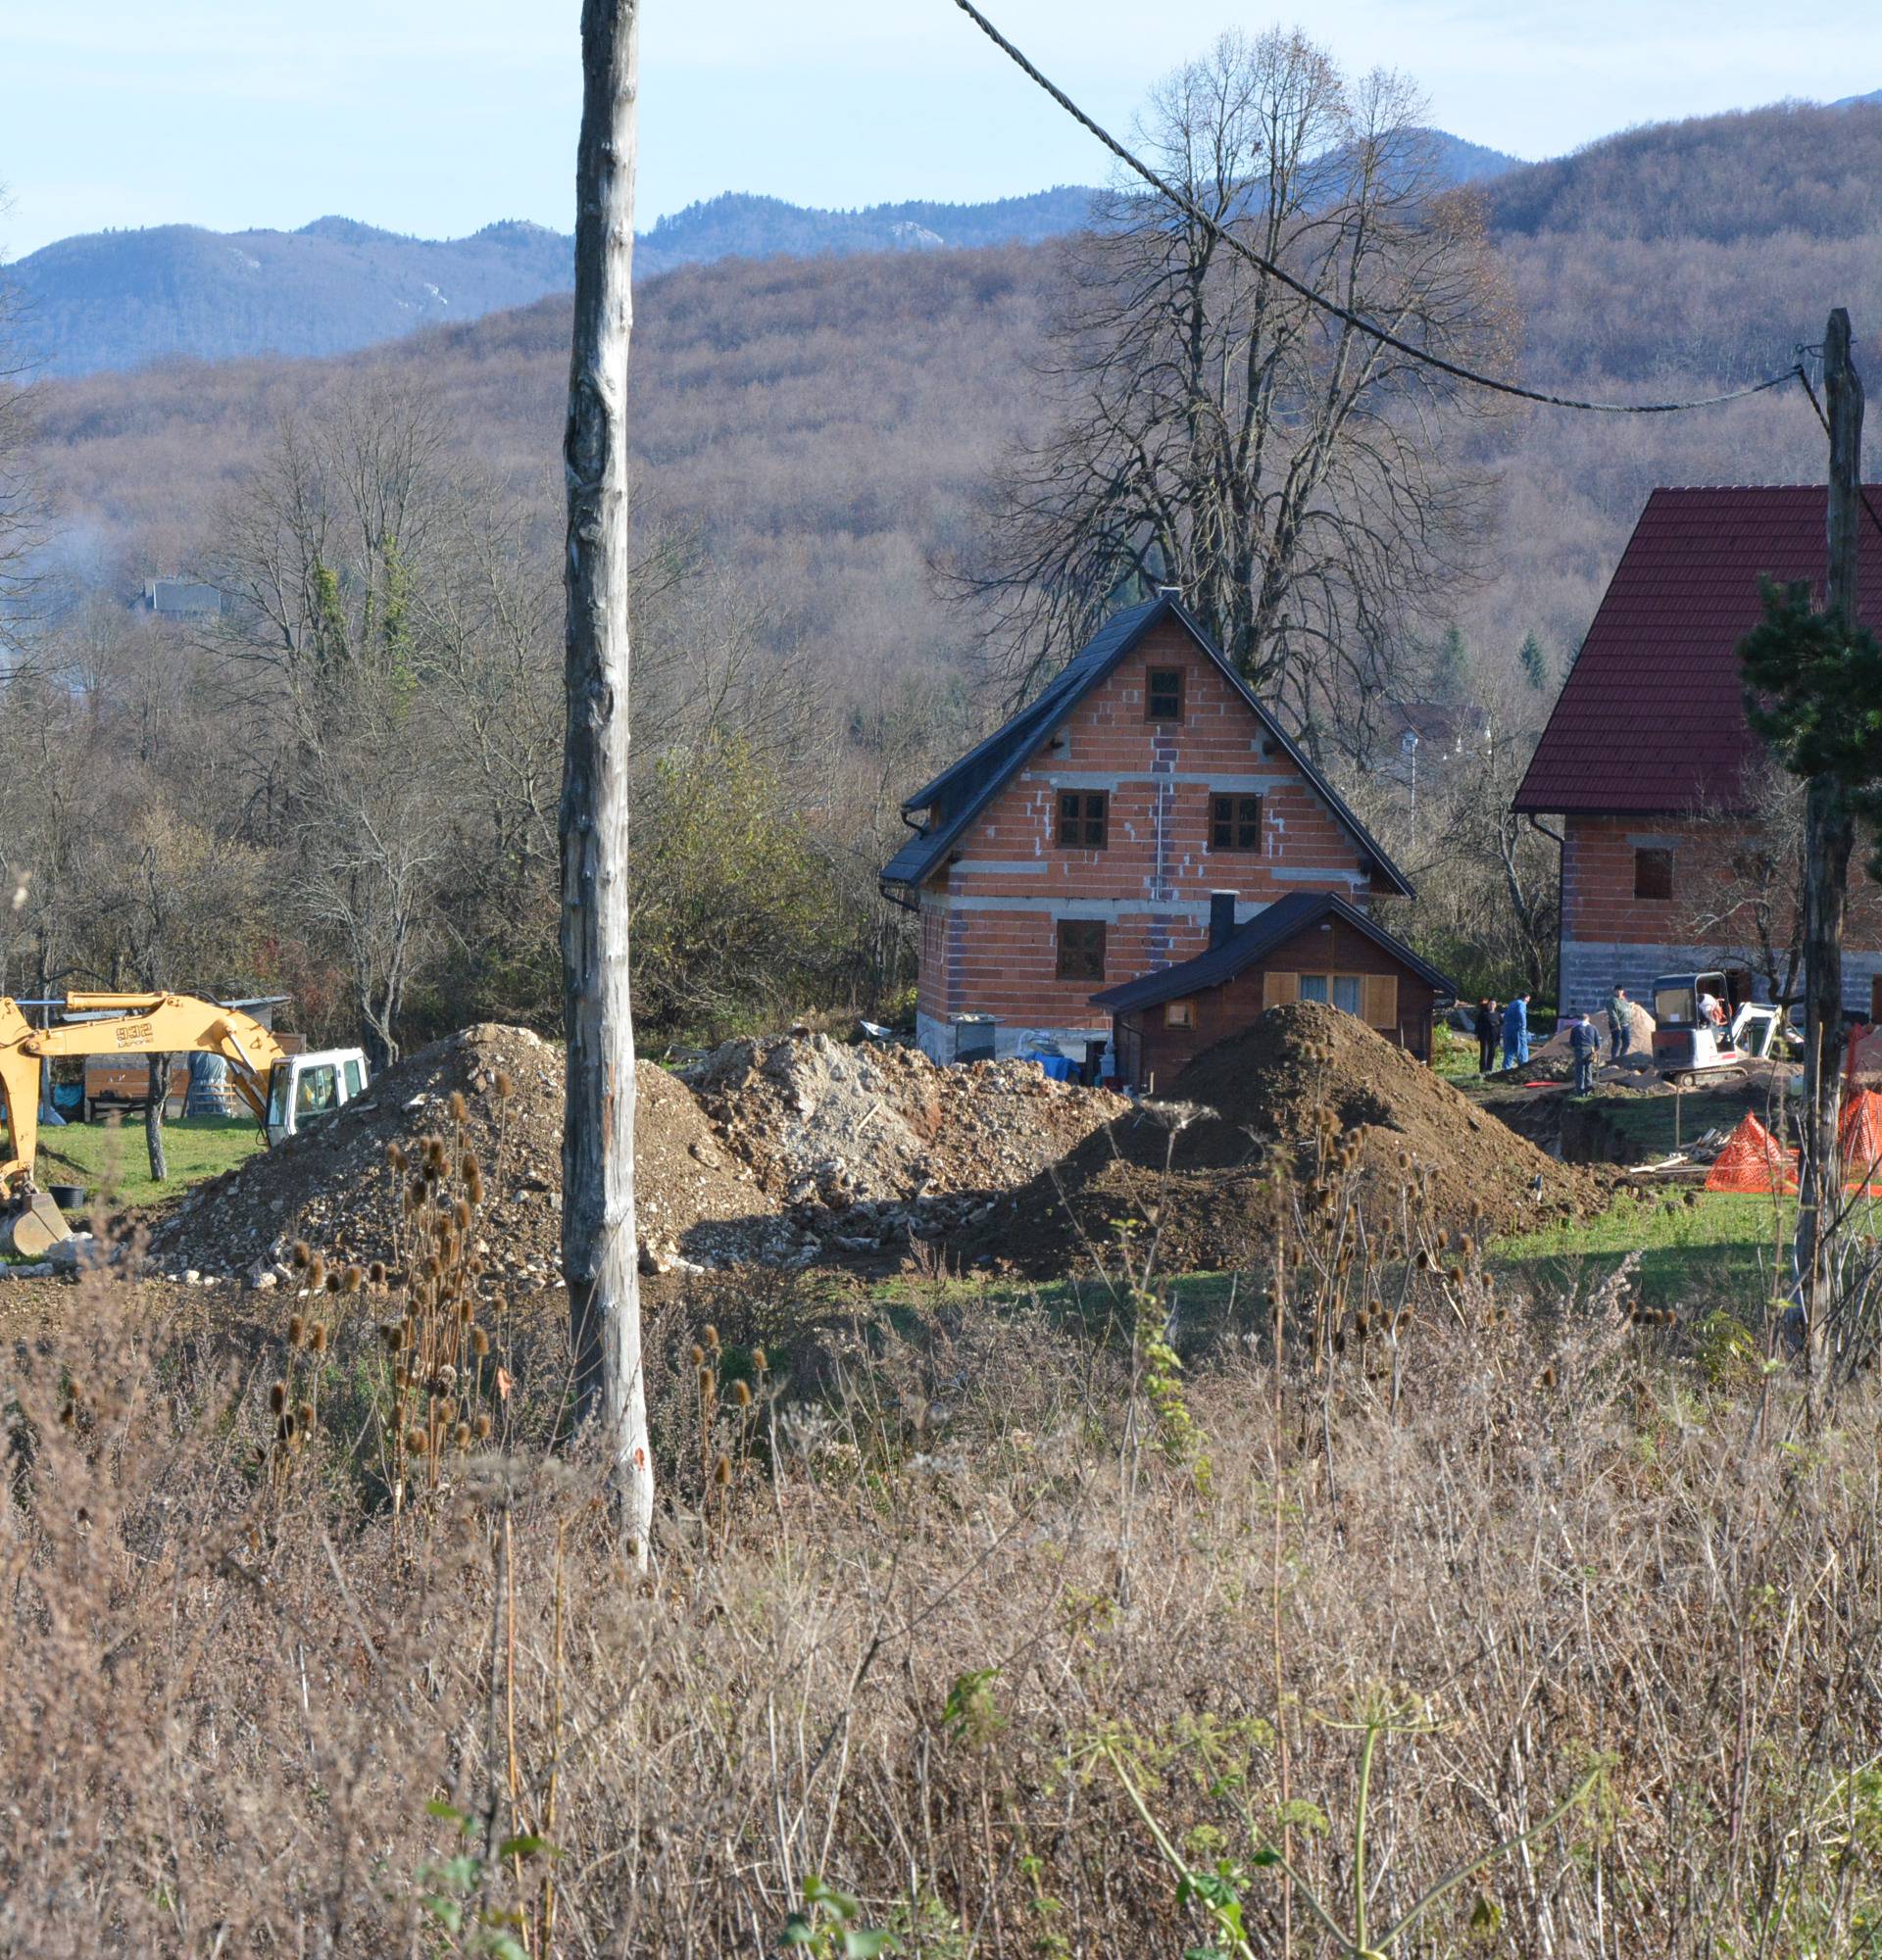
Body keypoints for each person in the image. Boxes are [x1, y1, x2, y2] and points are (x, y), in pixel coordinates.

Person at [1569, 1007, 1601, 1094]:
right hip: (1590, 1052)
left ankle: (1580, 1092)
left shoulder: (1575, 1029)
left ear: (1579, 1019)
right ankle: (1588, 1091)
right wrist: (1595, 1051)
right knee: (1588, 1071)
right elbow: (1598, 1043)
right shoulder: (1593, 1028)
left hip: (1579, 1051)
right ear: (1588, 1019)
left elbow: (1571, 1043)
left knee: (1580, 1072)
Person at [1501, 993, 1530, 1071]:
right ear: (1525, 998)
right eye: (1528, 1000)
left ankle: (1505, 1069)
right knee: (1522, 1048)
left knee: (1509, 1050)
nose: (1527, 1002)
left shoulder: (1512, 1003)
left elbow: (1505, 1016)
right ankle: (1524, 1068)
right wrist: (1523, 1026)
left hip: (1508, 1029)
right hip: (1518, 1030)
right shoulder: (1521, 1003)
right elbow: (1521, 1013)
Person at [1474, 998, 1499, 1074]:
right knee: (1484, 1053)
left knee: (1492, 1052)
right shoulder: (1483, 1014)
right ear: (1488, 1005)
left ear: (1496, 1005)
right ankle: (1482, 1070)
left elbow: (1501, 1024)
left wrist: (1500, 1035)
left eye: (1493, 1004)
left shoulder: (1497, 1014)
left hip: (1494, 1036)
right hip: (1484, 1036)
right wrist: (1476, 1034)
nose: (1492, 1005)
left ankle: (1489, 1069)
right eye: (1490, 1004)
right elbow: (1478, 1024)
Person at [1607, 985, 1630, 1062]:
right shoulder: (1612, 1001)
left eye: (1621, 990)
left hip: (1625, 1024)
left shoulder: (1624, 1001)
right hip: (1617, 1025)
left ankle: (1621, 1058)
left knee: (1627, 1042)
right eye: (1618, 991)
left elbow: (1628, 1010)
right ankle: (1614, 1059)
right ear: (1615, 991)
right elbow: (1612, 1013)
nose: (1619, 992)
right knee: (1616, 1043)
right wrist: (1617, 1024)